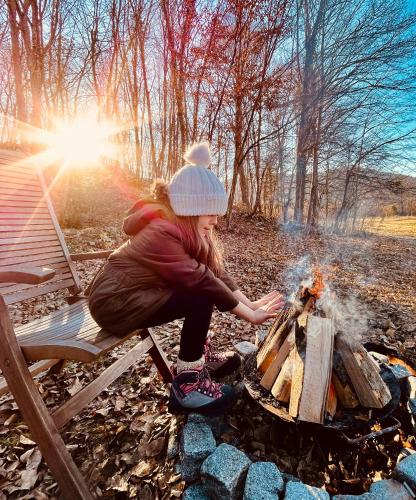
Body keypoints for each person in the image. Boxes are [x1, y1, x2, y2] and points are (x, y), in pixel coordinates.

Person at [88, 142, 283, 416]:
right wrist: (249, 316)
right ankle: (187, 386)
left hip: (140, 294)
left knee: (201, 293)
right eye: (211, 212)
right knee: (200, 297)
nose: (215, 221)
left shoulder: (183, 228)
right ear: (191, 208)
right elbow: (202, 280)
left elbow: (215, 270)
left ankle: (196, 360)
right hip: (114, 303)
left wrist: (249, 303)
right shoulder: (161, 232)